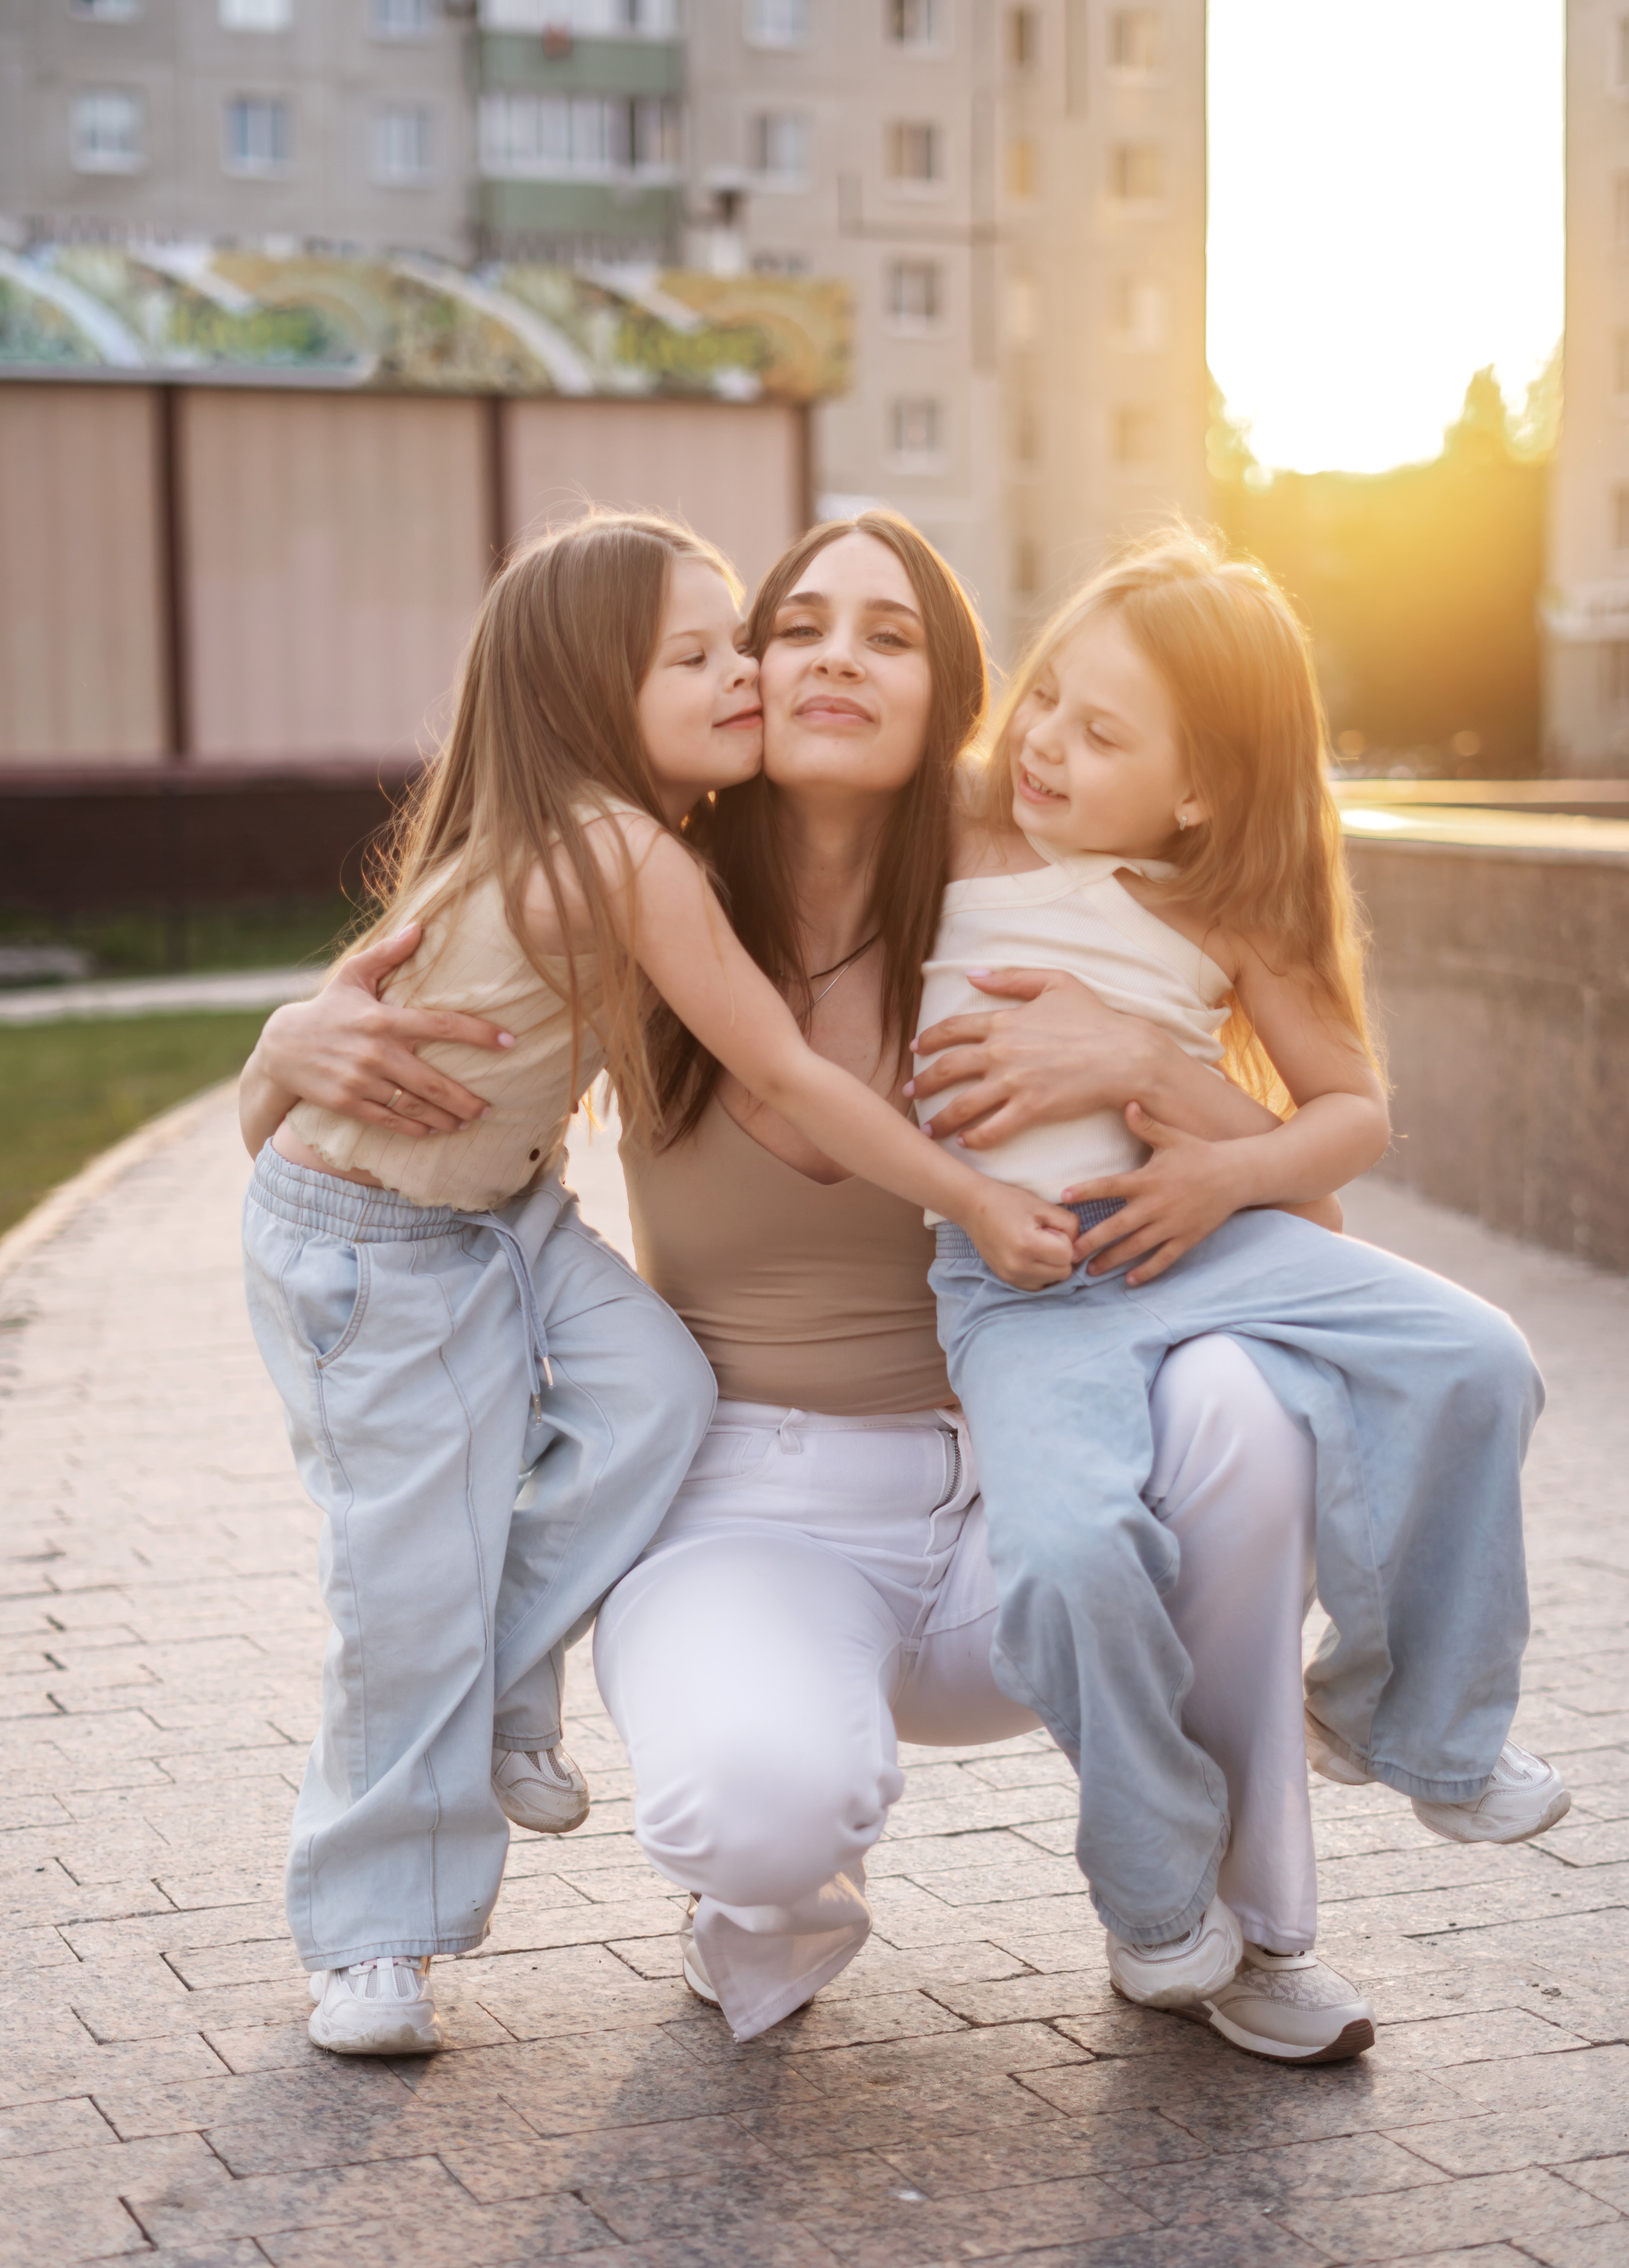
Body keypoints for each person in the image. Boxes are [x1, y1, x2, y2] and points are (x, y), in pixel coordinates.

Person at [246, 513, 1377, 2065]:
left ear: (948, 700)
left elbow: (1314, 1186)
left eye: (892, 635)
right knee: (755, 1808)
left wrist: (1151, 1067)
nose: (839, 654)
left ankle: (1232, 1922)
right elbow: (412, 988)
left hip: (1022, 1510)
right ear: (744, 681)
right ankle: (767, 1899)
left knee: (1241, 1404)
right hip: (745, 1506)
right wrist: (277, 1046)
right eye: (798, 628)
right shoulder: (646, 878)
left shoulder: (1031, 882)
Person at [914, 530, 1568, 2025]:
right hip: (1023, 1284)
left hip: (1207, 1243)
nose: (1046, 747)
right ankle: (1154, 1899)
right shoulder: (947, 838)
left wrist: (1219, 1169)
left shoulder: (1218, 905)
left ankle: (1415, 1726)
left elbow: (1352, 1114)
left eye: (1101, 734)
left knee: (1479, 1360)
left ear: (1197, 786)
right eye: (1047, 702)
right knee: (1072, 1553)